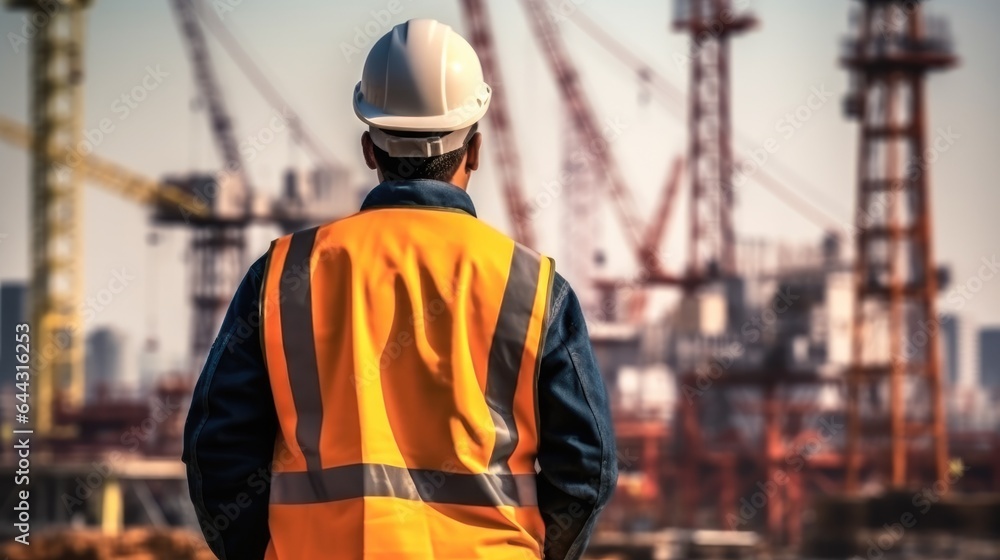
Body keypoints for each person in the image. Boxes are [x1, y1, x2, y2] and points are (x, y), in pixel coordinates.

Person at [182, 18, 616, 560]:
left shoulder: (284, 272)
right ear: (475, 151)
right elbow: (586, 465)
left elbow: (217, 447)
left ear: (369, 149)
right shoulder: (531, 286)